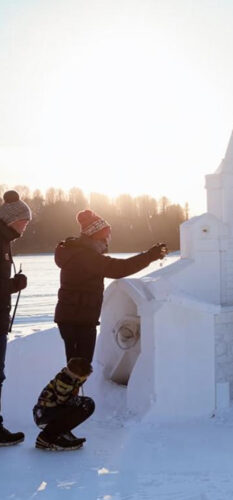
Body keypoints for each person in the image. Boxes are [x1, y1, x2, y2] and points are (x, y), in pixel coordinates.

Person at [54, 209, 167, 364]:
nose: (107, 241)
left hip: (74, 318)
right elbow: (120, 268)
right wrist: (150, 255)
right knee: (79, 367)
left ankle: (74, 389)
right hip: (78, 320)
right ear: (96, 237)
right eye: (105, 237)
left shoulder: (78, 253)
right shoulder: (85, 257)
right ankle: (64, 389)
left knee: (77, 366)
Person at [0, 190, 31, 446]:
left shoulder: (5, 241)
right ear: (11, 219)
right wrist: (15, 284)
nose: (26, 225)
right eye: (24, 220)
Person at [33, 357, 94, 451]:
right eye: (83, 377)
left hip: (46, 412)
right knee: (86, 405)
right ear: (76, 375)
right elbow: (64, 402)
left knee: (85, 403)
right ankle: (47, 438)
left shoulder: (70, 378)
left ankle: (60, 432)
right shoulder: (64, 382)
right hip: (45, 414)